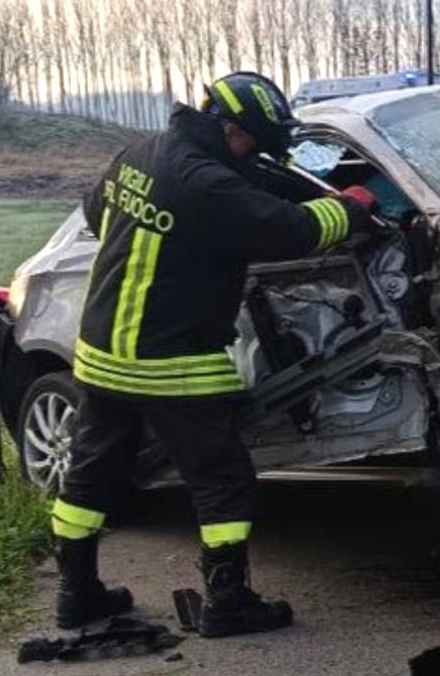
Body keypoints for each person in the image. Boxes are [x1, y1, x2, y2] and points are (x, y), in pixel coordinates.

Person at [50, 72, 375, 638]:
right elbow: (294, 232)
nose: (255, 154)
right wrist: (352, 207)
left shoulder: (142, 151)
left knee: (91, 473)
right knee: (223, 481)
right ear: (230, 128)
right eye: (254, 142)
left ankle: (76, 594)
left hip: (102, 352)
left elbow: (97, 211)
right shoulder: (205, 185)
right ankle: (228, 603)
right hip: (170, 359)